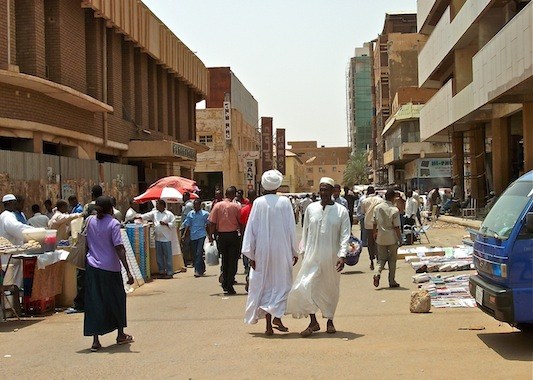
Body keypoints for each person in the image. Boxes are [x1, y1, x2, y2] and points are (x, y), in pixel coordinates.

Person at [286, 177, 351, 337]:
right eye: (321, 190)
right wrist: (303, 251)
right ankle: (313, 321)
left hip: (332, 258)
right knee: (306, 286)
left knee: (330, 289)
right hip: (312, 256)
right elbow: (306, 231)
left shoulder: (341, 211)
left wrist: (342, 256)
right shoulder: (311, 209)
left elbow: (345, 236)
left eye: (326, 190)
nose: (323, 193)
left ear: (333, 191)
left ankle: (329, 320)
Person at [243, 170, 298, 335]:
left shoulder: (258, 203)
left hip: (262, 251)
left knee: (265, 285)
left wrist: (251, 254)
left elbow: (250, 229)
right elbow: (291, 229)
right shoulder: (285, 202)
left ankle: (269, 325)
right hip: (281, 250)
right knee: (282, 284)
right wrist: (293, 251)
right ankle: (277, 317)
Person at [84, 196, 134, 352]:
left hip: (92, 267)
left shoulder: (90, 221)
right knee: (117, 300)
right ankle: (120, 334)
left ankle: (95, 340)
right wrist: (128, 271)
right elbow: (119, 247)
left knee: (94, 302)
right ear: (111, 209)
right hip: (111, 269)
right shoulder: (113, 224)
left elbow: (86, 242)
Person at [208, 187, 241, 295]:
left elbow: (212, 222)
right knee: (233, 260)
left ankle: (225, 281)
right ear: (233, 195)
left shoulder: (217, 206)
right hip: (233, 235)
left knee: (225, 259)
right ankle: (229, 282)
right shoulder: (236, 207)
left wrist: (210, 236)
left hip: (221, 236)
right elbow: (240, 222)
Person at [137, 199, 176, 279]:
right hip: (158, 238)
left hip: (166, 238)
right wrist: (139, 216)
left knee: (168, 256)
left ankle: (169, 272)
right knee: (159, 256)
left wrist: (166, 224)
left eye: (158, 204)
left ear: (163, 206)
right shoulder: (154, 213)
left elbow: (173, 224)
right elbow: (146, 215)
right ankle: (161, 271)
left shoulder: (169, 214)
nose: (156, 206)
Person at [372, 189, 402, 288]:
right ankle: (392, 281)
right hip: (392, 237)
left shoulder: (377, 208)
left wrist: (374, 233)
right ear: (393, 198)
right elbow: (397, 226)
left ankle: (377, 274)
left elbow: (374, 223)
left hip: (380, 236)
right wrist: (400, 239)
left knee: (381, 259)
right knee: (392, 260)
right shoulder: (394, 210)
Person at [181, 198, 210, 277]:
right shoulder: (190, 214)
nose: (195, 206)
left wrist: (210, 235)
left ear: (200, 205)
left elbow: (208, 225)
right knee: (195, 254)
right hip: (193, 235)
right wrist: (184, 235)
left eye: (197, 204)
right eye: (194, 205)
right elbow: (187, 224)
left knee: (199, 252)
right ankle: (202, 268)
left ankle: (197, 270)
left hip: (201, 235)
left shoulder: (205, 214)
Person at [360, 186, 384, 270]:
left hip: (368, 224)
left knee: (370, 243)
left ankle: (371, 261)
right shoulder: (380, 200)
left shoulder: (364, 201)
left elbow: (363, 212)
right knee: (378, 243)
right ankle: (379, 260)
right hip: (378, 224)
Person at [240, 188, 257, 287]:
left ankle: (248, 275)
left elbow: (241, 225)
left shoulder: (244, 209)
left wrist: (243, 237)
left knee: (247, 258)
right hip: (258, 238)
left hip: (247, 237)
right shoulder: (260, 208)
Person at [179, 192, 194, 267]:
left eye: (184, 196)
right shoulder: (187, 205)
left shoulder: (188, 206)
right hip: (188, 227)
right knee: (189, 245)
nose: (182, 198)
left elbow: (187, 219)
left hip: (186, 228)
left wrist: (185, 231)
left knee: (185, 245)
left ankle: (185, 261)